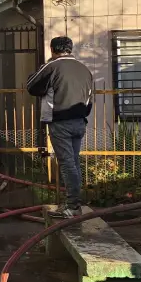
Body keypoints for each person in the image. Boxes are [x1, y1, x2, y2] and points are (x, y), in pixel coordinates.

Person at [25, 36, 94, 218]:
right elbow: (89, 101)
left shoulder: (53, 66)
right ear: (70, 49)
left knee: (66, 164)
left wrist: (42, 70)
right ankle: (75, 203)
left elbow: (32, 86)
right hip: (80, 122)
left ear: (53, 50)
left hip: (60, 122)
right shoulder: (85, 70)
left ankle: (72, 206)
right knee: (74, 162)